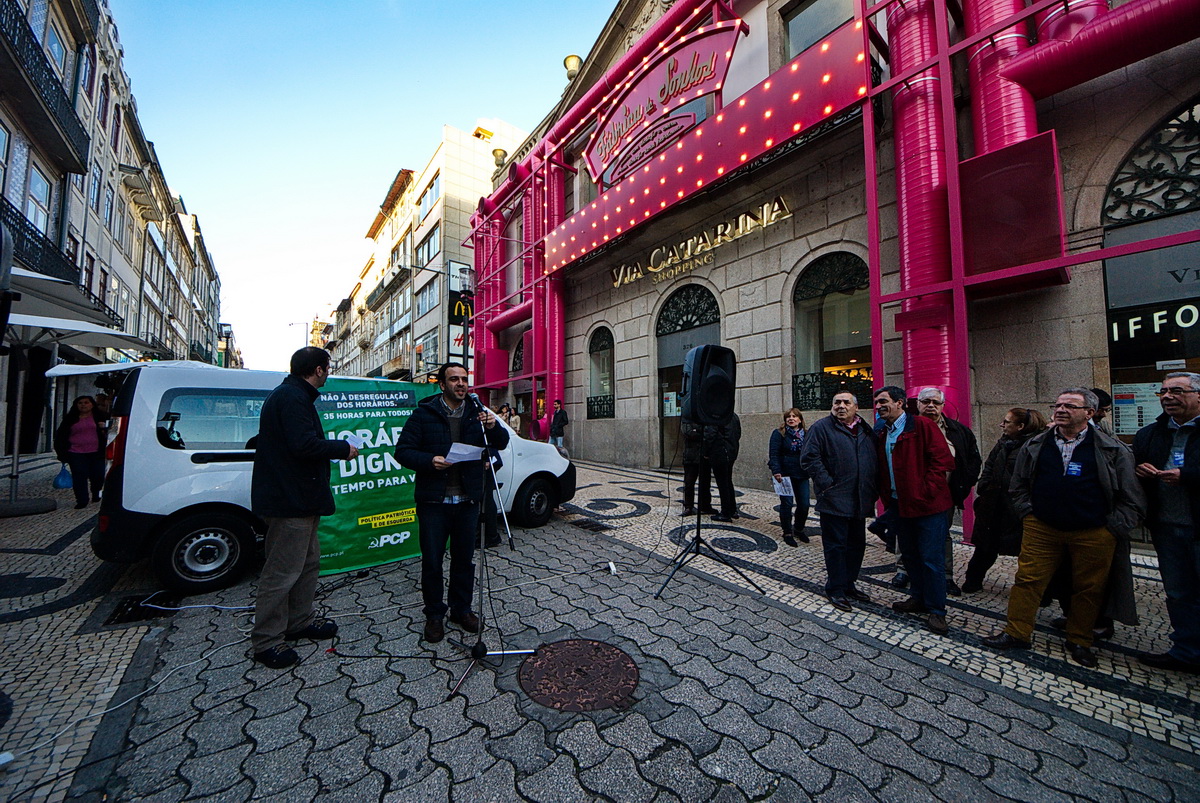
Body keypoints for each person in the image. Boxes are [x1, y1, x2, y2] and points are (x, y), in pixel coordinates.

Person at [983, 387, 1145, 668]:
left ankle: (1080, 639)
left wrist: (1113, 527)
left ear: (1089, 413)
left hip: (1094, 530)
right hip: (1042, 526)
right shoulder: (1036, 444)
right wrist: (1028, 513)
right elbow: (1018, 484)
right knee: (1028, 579)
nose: (1060, 410)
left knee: (1088, 588)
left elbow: (1132, 496)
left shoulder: (1112, 448)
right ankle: (1016, 632)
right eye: (1058, 405)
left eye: (1070, 406)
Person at [250, 347, 357, 669]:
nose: (329, 373)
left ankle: (299, 621)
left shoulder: (295, 395)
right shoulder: (292, 398)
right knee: (282, 572)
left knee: (308, 564)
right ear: (319, 369)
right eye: (328, 368)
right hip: (289, 502)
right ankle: (267, 641)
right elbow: (303, 445)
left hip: (301, 500)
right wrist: (342, 448)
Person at [395, 362, 510, 644]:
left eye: (464, 379)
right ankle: (435, 614)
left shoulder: (477, 413)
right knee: (433, 562)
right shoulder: (424, 414)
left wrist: (493, 427)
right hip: (434, 501)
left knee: (464, 560)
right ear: (442, 384)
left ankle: (461, 609)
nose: (461, 384)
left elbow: (501, 443)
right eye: (454, 379)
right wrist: (429, 461)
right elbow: (403, 451)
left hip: (467, 501)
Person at [874, 386, 956, 635]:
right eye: (877, 402)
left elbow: (942, 462)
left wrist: (925, 491)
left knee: (932, 559)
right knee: (910, 556)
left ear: (900, 403)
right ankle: (918, 597)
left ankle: (937, 610)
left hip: (929, 506)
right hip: (900, 505)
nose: (878, 406)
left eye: (883, 401)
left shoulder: (922, 426)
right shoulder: (883, 431)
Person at [1133, 371, 1200, 674]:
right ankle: (1186, 652)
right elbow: (1133, 467)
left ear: (1198, 396)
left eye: (1177, 391)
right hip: (1166, 526)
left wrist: (1188, 476)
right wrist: (1140, 470)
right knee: (1178, 593)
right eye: (1163, 392)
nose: (1168, 397)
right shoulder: (1150, 433)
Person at [800, 392, 878, 611]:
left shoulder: (864, 429)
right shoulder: (821, 428)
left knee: (856, 546)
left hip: (859, 499)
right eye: (837, 402)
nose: (841, 406)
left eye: (846, 402)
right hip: (834, 499)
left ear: (856, 407)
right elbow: (809, 458)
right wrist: (827, 484)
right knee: (836, 547)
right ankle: (835, 588)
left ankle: (849, 584)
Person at [961, 408, 1047, 593]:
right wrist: (984, 486)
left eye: (1007, 422)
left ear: (1020, 426)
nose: (1002, 424)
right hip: (993, 504)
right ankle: (973, 580)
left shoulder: (1037, 446)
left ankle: (1039, 592)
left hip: (1017, 508)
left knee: (1029, 553)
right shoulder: (1003, 442)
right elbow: (990, 465)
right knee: (985, 547)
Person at [916, 387, 982, 596]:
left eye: (935, 402)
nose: (931, 406)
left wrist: (963, 485)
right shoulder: (907, 427)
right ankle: (905, 571)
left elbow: (973, 460)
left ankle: (945, 577)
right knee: (908, 533)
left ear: (943, 406)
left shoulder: (958, 431)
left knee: (942, 535)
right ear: (918, 404)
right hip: (912, 494)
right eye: (926, 402)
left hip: (945, 495)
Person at [54, 395, 107, 509]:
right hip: (76, 453)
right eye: (80, 403)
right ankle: (82, 500)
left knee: (98, 475)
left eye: (86, 402)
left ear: (92, 404)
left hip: (96, 452)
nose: (83, 405)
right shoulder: (70, 419)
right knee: (79, 476)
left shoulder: (99, 417)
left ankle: (96, 493)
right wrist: (62, 453)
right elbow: (61, 435)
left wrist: (104, 428)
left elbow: (112, 430)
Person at [769, 408, 811, 545]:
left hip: (802, 473)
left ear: (800, 419)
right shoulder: (779, 434)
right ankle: (787, 531)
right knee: (787, 504)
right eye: (788, 416)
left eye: (794, 416)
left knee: (804, 504)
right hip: (784, 474)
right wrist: (776, 471)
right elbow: (774, 454)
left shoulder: (807, 434)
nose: (791, 418)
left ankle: (799, 528)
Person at [704, 412, 741, 521]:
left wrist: (706, 452)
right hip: (731, 452)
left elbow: (710, 435)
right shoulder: (733, 416)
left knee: (723, 483)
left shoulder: (715, 416)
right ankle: (732, 510)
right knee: (728, 481)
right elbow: (738, 433)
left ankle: (726, 513)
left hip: (719, 452)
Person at [679, 416, 714, 516]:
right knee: (689, 483)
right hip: (691, 457)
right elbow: (689, 433)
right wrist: (702, 433)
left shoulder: (706, 417)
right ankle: (688, 506)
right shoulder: (687, 419)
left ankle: (705, 505)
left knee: (705, 483)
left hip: (704, 456)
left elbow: (710, 433)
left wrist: (699, 431)